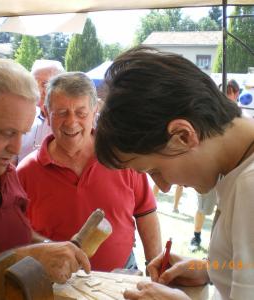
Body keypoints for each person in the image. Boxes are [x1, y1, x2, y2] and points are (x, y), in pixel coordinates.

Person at [95, 46, 254, 299]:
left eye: (154, 170)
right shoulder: (238, 166)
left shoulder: (250, 185)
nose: (165, 187)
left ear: (183, 135)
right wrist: (211, 268)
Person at [0, 60, 90, 299]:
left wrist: (49, 248)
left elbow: (16, 231)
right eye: (6, 133)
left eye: (23, 133)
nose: (16, 147)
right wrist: (25, 259)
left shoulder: (4, 169)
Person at [17, 72, 162, 272]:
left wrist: (156, 265)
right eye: (61, 112)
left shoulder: (122, 159)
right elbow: (17, 233)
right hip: (53, 284)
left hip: (121, 277)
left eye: (81, 112)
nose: (71, 122)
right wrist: (50, 249)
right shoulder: (26, 172)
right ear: (46, 113)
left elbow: (146, 212)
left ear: (95, 112)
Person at [17, 60, 65, 162]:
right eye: (34, 83)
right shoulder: (22, 119)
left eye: (45, 84)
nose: (38, 90)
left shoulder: (71, 123)